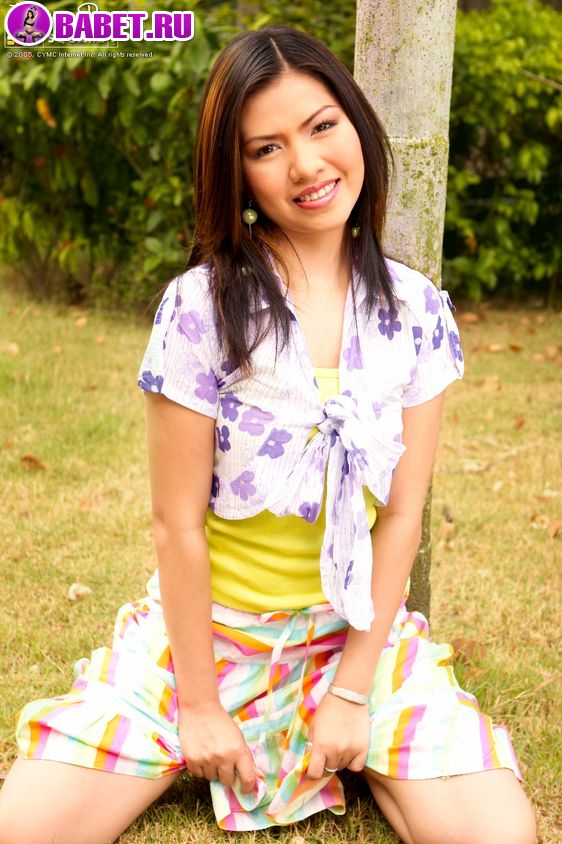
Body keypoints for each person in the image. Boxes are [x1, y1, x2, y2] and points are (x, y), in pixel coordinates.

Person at [0, 25, 536, 844]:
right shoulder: (201, 307)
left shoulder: (416, 310)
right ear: (237, 172)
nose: (307, 165)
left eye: (322, 126)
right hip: (210, 635)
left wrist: (352, 692)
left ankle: (364, 744)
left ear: (356, 123)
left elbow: (402, 515)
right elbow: (176, 525)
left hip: (355, 638)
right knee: (26, 827)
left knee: (497, 836)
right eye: (267, 148)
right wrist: (200, 705)